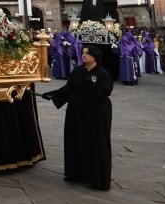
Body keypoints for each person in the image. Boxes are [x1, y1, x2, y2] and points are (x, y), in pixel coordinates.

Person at [42, 47, 113, 191]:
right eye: (83, 53)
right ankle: (76, 173)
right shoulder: (78, 71)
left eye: (87, 54)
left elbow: (104, 91)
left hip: (96, 114)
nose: (84, 55)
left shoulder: (102, 73)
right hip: (76, 112)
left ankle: (97, 178)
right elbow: (68, 89)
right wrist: (52, 94)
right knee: (75, 139)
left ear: (95, 56)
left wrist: (88, 82)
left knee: (96, 142)